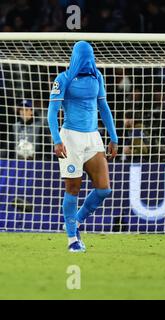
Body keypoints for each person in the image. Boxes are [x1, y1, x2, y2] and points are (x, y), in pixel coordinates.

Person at [47, 41, 118, 253]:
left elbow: (103, 107)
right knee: (73, 188)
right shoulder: (63, 79)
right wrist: (57, 140)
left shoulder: (98, 77)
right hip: (71, 138)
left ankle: (75, 221)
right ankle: (72, 240)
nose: (88, 59)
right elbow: (52, 112)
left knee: (104, 189)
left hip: (93, 137)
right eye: (84, 56)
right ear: (77, 57)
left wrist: (113, 137)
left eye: (90, 55)